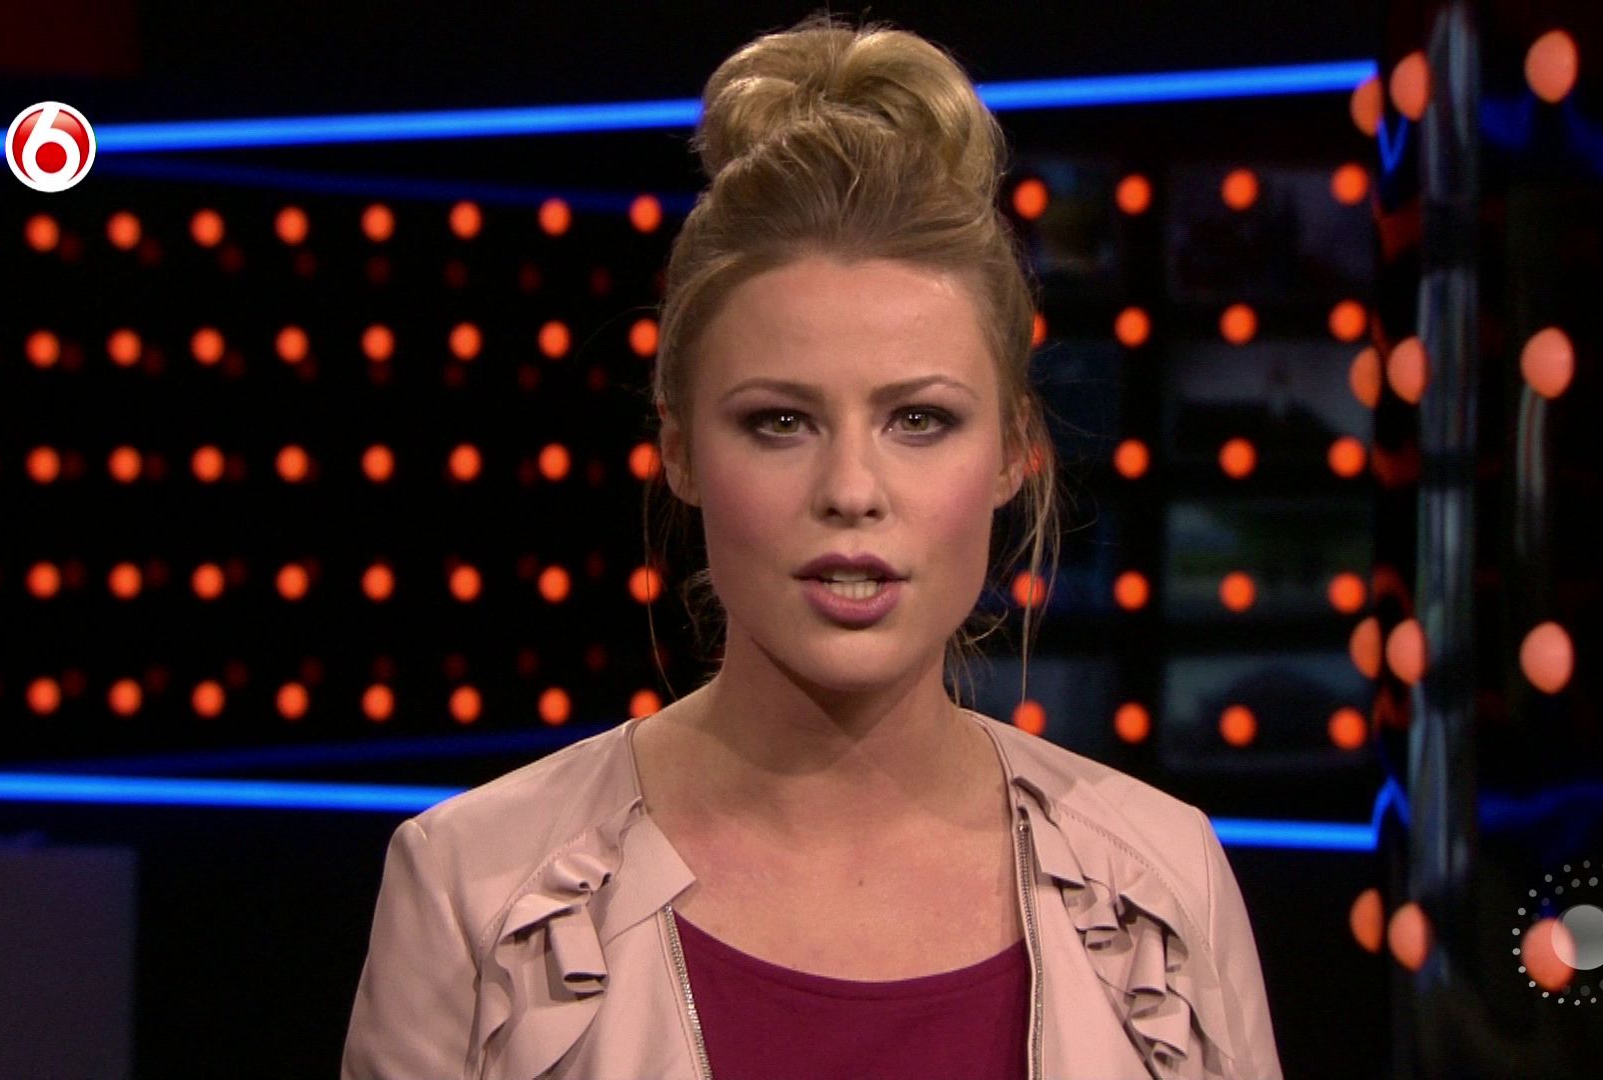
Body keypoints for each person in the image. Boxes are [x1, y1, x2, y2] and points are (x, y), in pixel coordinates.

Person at [341, 11, 1281, 1079]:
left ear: (1016, 451)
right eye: (780, 422)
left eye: (919, 419)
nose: (850, 493)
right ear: (680, 450)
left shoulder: (1164, 885)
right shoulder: (473, 889)